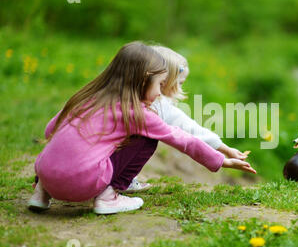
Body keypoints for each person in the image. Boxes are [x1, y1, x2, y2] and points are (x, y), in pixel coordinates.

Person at [28, 41, 256, 214]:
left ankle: (41, 194)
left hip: (47, 176)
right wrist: (220, 160)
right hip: (82, 185)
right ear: (143, 80)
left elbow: (50, 130)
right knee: (147, 139)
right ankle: (108, 196)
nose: (159, 93)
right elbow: (182, 138)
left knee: (61, 145)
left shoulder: (87, 98)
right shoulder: (138, 113)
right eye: (159, 85)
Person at [124, 45, 249, 193]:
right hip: (110, 163)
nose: (181, 89)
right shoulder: (158, 106)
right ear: (163, 80)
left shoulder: (123, 96)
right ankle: (122, 180)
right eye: (180, 83)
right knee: (147, 142)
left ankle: (120, 178)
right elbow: (190, 131)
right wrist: (225, 152)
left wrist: (225, 150)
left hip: (100, 159)